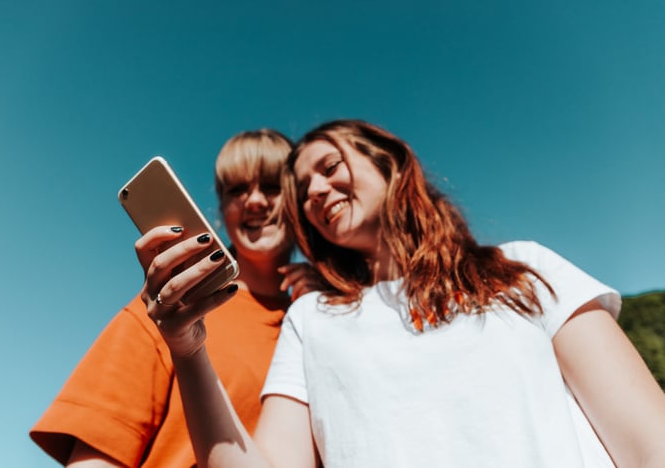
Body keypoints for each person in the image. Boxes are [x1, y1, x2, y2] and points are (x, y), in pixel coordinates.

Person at [144, 119, 665, 468]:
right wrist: (188, 349)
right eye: (303, 193)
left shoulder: (524, 267)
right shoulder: (312, 319)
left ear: (389, 162)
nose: (316, 193)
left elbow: (648, 440)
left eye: (329, 168)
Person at [30, 129, 318, 467]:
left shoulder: (318, 321)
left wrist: (325, 312)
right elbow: (96, 460)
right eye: (237, 189)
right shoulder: (170, 309)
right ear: (221, 210)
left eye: (271, 187)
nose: (254, 201)